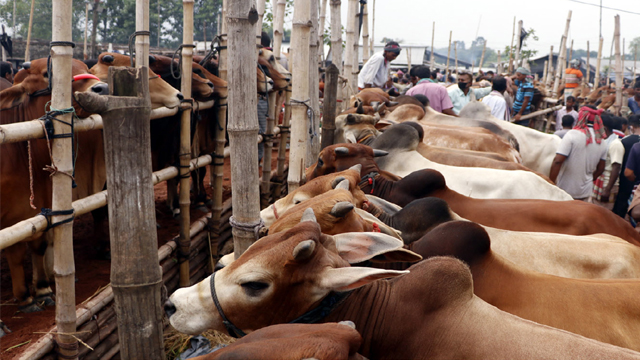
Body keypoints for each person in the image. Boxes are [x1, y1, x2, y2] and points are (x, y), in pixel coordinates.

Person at [549, 105, 608, 201]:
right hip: (586, 192)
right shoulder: (602, 141)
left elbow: (558, 161)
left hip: (565, 191)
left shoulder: (572, 134)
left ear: (582, 116)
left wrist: (550, 184)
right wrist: (588, 179)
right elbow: (601, 169)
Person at [591, 114, 624, 210]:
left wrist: (607, 189)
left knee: (603, 214)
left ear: (604, 129)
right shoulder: (604, 142)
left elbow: (616, 167)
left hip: (607, 184)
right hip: (601, 183)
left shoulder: (615, 144)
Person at [613, 115, 640, 218]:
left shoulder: (625, 142)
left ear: (631, 127)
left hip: (630, 186)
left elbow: (628, 173)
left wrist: (635, 180)